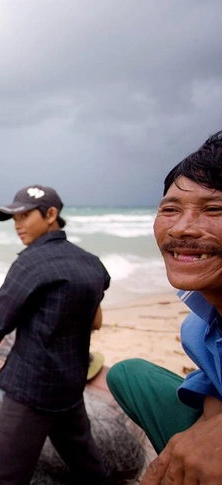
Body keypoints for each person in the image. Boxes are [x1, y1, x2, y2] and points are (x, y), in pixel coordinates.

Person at [0, 185, 110, 485]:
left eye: (24, 215)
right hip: (71, 383)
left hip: (31, 389)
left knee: (1, 477)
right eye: (14, 218)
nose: (17, 224)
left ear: (51, 214)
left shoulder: (29, 263)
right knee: (89, 467)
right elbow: (95, 321)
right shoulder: (92, 264)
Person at [106, 129, 222, 484]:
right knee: (127, 373)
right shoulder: (197, 328)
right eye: (170, 209)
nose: (184, 228)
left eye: (214, 209)